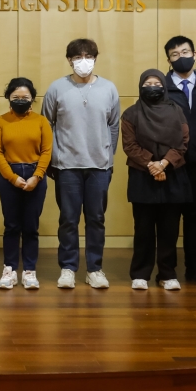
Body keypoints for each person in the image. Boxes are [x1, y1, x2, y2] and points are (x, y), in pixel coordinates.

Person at [41, 38, 120, 289]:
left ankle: (95, 269)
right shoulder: (56, 88)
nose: (83, 61)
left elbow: (114, 125)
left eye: (88, 56)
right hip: (67, 166)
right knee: (68, 219)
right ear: (69, 60)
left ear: (95, 59)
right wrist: (53, 158)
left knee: (96, 219)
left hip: (99, 167)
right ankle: (68, 268)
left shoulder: (109, 88)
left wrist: (108, 156)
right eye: (77, 57)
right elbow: (46, 125)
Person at [123, 69, 190, 291]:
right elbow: (130, 145)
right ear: (141, 87)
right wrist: (152, 164)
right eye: (147, 84)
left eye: (157, 83)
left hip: (173, 174)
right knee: (143, 229)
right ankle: (140, 274)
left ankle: (167, 273)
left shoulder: (177, 111)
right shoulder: (131, 113)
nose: (152, 87)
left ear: (164, 86)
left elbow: (183, 142)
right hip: (142, 176)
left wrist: (164, 163)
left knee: (169, 229)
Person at [162, 35, 196, 282]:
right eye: (174, 55)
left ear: (194, 55)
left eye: (185, 52)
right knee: (169, 221)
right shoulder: (160, 88)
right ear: (168, 60)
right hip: (171, 165)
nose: (180, 58)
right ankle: (167, 272)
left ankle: (195, 270)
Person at [0, 77, 52, 290]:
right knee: (11, 226)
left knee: (31, 226)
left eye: (25, 97)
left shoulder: (41, 121)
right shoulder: (0, 122)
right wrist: (12, 177)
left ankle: (29, 271)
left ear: (32, 99)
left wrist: (37, 176)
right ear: (8, 98)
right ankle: (9, 270)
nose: (20, 100)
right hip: (10, 175)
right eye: (16, 97)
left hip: (36, 175)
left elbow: (47, 151)